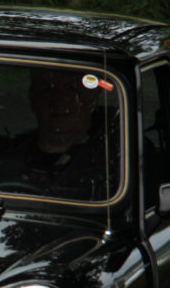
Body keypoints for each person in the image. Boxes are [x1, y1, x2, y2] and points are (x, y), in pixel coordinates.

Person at [14, 67, 117, 199]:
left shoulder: (117, 156)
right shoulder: (13, 154)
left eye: (71, 90)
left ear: (91, 99)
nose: (59, 100)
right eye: (47, 90)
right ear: (33, 99)